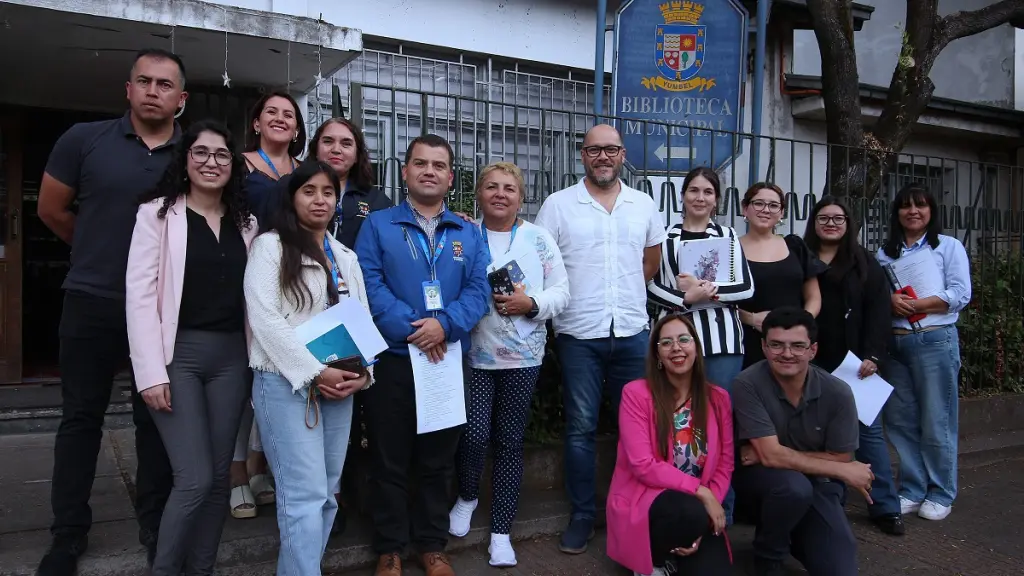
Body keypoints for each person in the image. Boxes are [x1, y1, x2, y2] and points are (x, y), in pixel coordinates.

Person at [35, 48, 183, 575]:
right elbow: (51, 209)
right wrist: (96, 251)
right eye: (144, 81)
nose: (152, 91)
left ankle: (155, 525)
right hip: (92, 300)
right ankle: (67, 535)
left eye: (164, 84)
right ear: (128, 89)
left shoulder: (193, 155)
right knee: (80, 418)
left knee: (155, 420)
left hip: (160, 311)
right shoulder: (84, 139)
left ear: (181, 98)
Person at [355, 134, 490, 576]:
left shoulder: (468, 232)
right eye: (420, 163)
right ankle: (390, 548)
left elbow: (479, 290)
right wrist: (417, 329)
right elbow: (369, 285)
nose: (429, 171)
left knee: (438, 459)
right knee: (389, 458)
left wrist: (444, 326)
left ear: (450, 178)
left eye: (438, 165)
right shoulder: (378, 225)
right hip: (395, 358)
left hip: (445, 360)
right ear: (405, 171)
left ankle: (432, 545)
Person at [126, 120, 258, 574]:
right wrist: (149, 373)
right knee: (194, 478)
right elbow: (140, 297)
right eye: (201, 152)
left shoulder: (247, 223)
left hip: (232, 359)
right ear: (185, 160)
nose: (211, 162)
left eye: (221, 155)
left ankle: (201, 569)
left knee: (220, 479)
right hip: (176, 357)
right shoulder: (157, 215)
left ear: (232, 165)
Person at [534, 124, 666, 554]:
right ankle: (583, 515)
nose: (603, 157)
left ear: (623, 154)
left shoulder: (643, 205)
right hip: (578, 334)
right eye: (594, 150)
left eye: (611, 149)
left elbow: (650, 262)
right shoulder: (557, 205)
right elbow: (541, 263)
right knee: (580, 429)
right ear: (582, 155)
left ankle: (637, 508)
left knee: (639, 430)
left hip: (631, 331)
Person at [244, 160, 371, 575]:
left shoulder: (346, 256)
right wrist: (315, 371)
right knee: (303, 497)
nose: (320, 200)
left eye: (328, 193)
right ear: (292, 197)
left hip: (340, 388)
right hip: (286, 385)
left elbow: (362, 321)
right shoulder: (270, 247)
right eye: (309, 191)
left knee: (327, 495)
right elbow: (265, 320)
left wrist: (364, 375)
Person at [448, 162, 570, 566]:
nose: (500, 194)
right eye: (492, 187)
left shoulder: (538, 239)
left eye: (509, 188)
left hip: (523, 358)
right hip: (474, 355)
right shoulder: (465, 234)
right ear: (479, 194)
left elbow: (562, 292)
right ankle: (467, 497)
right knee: (473, 435)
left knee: (509, 442)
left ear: (521, 197)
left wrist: (530, 303)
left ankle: (501, 532)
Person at [731, 307, 873, 576]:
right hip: (768, 484)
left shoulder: (838, 392)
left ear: (813, 350)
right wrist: (841, 469)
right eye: (776, 345)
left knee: (839, 570)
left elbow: (842, 457)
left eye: (797, 346)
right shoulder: (747, 383)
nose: (787, 354)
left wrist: (770, 453)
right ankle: (769, 556)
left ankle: (797, 537)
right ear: (763, 347)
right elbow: (840, 464)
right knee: (793, 488)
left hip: (819, 484)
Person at [647, 166, 753, 524]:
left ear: (717, 199)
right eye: (693, 190)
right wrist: (685, 299)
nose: (700, 197)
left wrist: (711, 291)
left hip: (722, 343)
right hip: (676, 342)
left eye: (708, 192)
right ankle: (677, 502)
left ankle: (723, 509)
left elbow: (747, 288)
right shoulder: (665, 237)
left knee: (720, 425)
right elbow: (650, 285)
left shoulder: (728, 235)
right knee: (674, 421)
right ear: (683, 195)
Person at [804, 196, 904, 535]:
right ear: (814, 223)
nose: (831, 223)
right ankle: (826, 502)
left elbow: (879, 312)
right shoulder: (802, 257)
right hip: (811, 360)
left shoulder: (865, 262)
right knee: (815, 436)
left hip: (856, 365)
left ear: (848, 224)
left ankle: (886, 507)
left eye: (838, 218)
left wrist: (873, 356)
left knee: (869, 435)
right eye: (824, 218)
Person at [607, 313, 734, 576]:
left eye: (684, 339)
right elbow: (643, 464)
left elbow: (725, 463)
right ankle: (654, 562)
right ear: (657, 355)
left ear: (696, 348)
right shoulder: (636, 394)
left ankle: (681, 550)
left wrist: (709, 511)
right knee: (687, 513)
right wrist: (701, 492)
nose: (676, 347)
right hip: (650, 498)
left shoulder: (718, 398)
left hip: (696, 508)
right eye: (666, 343)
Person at [877, 183, 971, 522]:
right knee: (900, 420)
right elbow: (875, 294)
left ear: (931, 210)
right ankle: (912, 489)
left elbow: (961, 293)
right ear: (897, 213)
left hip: (934, 340)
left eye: (920, 205)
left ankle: (941, 492)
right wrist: (889, 300)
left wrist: (918, 305)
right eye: (906, 206)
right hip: (895, 342)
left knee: (936, 419)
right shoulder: (884, 253)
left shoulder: (948, 247)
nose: (913, 211)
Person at [737, 183, 824, 368]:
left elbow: (814, 296)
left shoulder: (795, 246)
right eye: (758, 203)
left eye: (773, 205)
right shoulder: (730, 249)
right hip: (746, 341)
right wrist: (751, 319)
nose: (766, 210)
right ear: (745, 208)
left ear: (782, 212)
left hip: (794, 344)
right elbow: (718, 301)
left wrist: (798, 324)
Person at [307, 117, 392, 248]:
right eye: (328, 141)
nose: (336, 149)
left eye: (346, 144)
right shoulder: (292, 188)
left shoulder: (376, 200)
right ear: (316, 150)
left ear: (357, 155)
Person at [241, 91, 304, 227]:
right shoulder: (237, 165)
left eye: (288, 115)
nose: (280, 119)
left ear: (296, 131)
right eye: (271, 112)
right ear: (257, 124)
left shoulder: (306, 170)